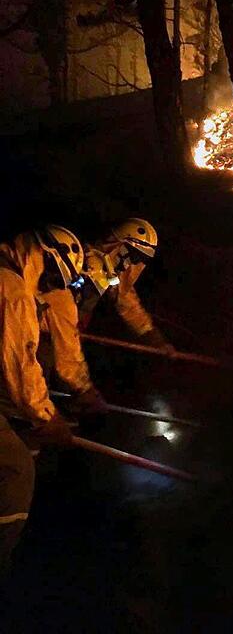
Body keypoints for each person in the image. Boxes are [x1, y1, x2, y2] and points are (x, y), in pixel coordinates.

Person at [0, 226, 81, 570]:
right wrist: (48, 417)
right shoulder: (14, 292)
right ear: (42, 257)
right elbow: (21, 365)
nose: (47, 289)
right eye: (49, 280)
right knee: (18, 470)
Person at [38, 249, 117, 415]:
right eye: (92, 293)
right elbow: (68, 359)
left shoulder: (51, 287)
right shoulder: (62, 300)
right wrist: (86, 390)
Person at [93, 218, 172, 353]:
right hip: (51, 331)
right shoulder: (80, 263)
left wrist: (153, 338)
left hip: (67, 333)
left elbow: (127, 303)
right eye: (134, 255)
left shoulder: (114, 275)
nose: (132, 263)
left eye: (138, 259)